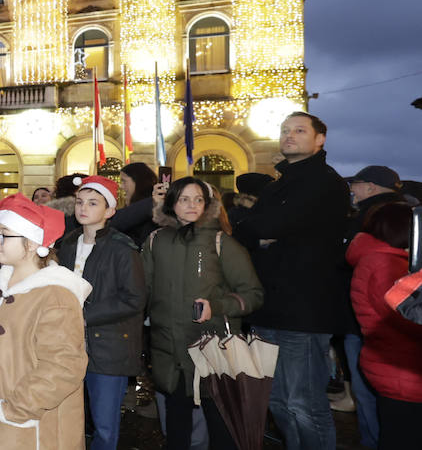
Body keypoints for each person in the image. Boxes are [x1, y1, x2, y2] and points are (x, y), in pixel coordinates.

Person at [233, 111, 349, 450]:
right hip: (269, 308)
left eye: (299, 130)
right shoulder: (277, 184)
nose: (289, 136)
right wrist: (262, 234)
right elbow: (247, 229)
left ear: (319, 139)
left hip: (304, 312)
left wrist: (264, 233)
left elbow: (266, 227)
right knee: (278, 402)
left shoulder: (325, 182)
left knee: (305, 404)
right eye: (285, 130)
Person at [0, 194, 89, 450]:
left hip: (32, 426)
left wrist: (14, 409)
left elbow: (63, 367)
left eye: (4, 234)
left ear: (31, 243)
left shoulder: (56, 296)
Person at [147, 177, 263, 450]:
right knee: (176, 431)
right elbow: (145, 292)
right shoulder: (155, 241)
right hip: (170, 353)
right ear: (172, 203)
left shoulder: (222, 243)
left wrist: (218, 306)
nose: (191, 205)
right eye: (184, 199)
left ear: (207, 204)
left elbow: (253, 294)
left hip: (212, 352)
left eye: (198, 199)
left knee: (221, 427)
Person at [55, 176, 147, 450]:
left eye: (93, 203)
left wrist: (86, 315)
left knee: (105, 427)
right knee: (69, 419)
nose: (83, 208)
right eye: (80, 202)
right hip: (69, 345)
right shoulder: (69, 244)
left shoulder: (122, 247)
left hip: (108, 347)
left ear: (109, 211)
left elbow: (135, 298)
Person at [341, 164, 410, 447]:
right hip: (395, 357)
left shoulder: (374, 229)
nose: (352, 191)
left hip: (374, 342)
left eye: (355, 184)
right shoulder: (389, 258)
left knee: (372, 402)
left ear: (370, 187)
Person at [347, 201, 422, 449]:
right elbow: (407, 317)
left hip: (395, 364)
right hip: (402, 370)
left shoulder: (385, 259)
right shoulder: (386, 264)